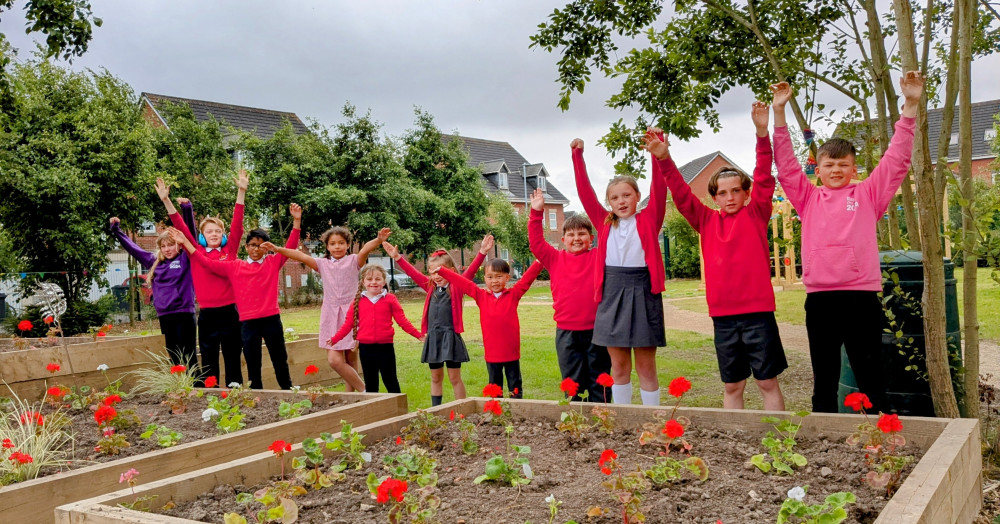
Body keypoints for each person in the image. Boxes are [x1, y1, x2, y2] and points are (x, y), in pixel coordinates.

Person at [770, 71, 924, 413]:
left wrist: (910, 107)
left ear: (854, 169)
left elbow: (896, 161)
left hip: (861, 297)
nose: (836, 170)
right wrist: (778, 113)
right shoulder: (807, 198)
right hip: (821, 300)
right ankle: (823, 432)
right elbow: (785, 165)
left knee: (870, 373)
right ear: (819, 170)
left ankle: (879, 434)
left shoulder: (869, 194)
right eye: (829, 165)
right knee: (824, 375)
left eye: (844, 165)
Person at [647, 104, 787, 410]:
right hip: (723, 317)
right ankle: (736, 438)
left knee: (767, 382)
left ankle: (780, 443)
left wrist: (762, 133)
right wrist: (663, 158)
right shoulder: (706, 221)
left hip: (758, 314)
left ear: (745, 193)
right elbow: (681, 193)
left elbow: (764, 175)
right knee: (733, 384)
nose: (730, 197)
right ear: (714, 197)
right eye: (722, 193)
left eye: (736, 190)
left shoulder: (757, 212)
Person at [572, 134, 668, 405]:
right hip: (612, 292)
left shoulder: (650, 217)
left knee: (646, 366)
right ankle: (623, 419)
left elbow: (660, 186)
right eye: (615, 197)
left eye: (627, 195)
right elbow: (584, 192)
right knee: (619, 366)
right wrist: (578, 157)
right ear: (609, 203)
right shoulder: (603, 222)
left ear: (638, 196)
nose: (622, 201)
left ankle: (653, 420)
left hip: (643, 290)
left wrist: (657, 150)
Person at [165, 203, 304, 390]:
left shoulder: (270, 261)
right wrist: (185, 242)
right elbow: (203, 261)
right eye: (252, 245)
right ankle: (248, 393)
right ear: (246, 247)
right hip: (244, 321)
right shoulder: (235, 266)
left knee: (278, 357)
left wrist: (296, 222)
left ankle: (286, 390)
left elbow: (290, 247)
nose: (256, 249)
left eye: (261, 245)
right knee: (249, 361)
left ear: (267, 247)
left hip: (264, 318)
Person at [156, 175, 246, 387]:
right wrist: (166, 201)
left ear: (223, 235)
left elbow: (238, 225)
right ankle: (212, 398)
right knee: (208, 361)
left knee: (233, 358)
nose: (214, 234)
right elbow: (180, 226)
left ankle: (236, 395)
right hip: (207, 316)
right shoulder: (194, 251)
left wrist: (241, 192)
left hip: (230, 313)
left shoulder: (230, 251)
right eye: (209, 231)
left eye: (218, 231)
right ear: (202, 236)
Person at [382, 235, 494, 405]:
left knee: (454, 377)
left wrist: (482, 252)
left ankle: (462, 409)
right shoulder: (430, 287)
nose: (436, 275)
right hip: (433, 338)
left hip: (450, 337)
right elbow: (413, 273)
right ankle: (436, 410)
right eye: (432, 272)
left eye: (440, 270)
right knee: (435, 377)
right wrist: (397, 257)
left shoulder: (457, 287)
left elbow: (470, 272)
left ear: (452, 271)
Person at [280, 226, 391, 392]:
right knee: (335, 360)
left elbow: (365, 250)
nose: (337, 247)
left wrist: (378, 240)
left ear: (348, 245)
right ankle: (365, 391)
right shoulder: (322, 264)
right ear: (327, 246)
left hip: (352, 313)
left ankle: (351, 398)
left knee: (351, 359)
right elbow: (300, 255)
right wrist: (276, 249)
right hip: (330, 315)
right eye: (332, 243)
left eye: (341, 243)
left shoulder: (354, 261)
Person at [527, 188, 609, 402]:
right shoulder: (554, 259)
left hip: (598, 332)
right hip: (566, 333)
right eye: (571, 235)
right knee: (572, 383)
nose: (577, 238)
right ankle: (576, 421)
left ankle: (601, 418)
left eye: (582, 234)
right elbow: (536, 243)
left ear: (591, 238)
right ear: (563, 239)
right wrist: (536, 213)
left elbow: (610, 232)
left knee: (599, 380)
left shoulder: (599, 256)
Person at [433, 258, 543, 398]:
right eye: (490, 277)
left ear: (507, 277)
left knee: (515, 386)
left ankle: (516, 411)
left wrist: (539, 262)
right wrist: (443, 271)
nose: (494, 281)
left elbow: (527, 280)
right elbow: (464, 283)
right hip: (492, 353)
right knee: (494, 388)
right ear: (484, 278)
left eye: (499, 276)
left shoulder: (513, 294)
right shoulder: (481, 296)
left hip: (511, 352)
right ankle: (497, 413)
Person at [109, 218, 196, 369]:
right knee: (174, 353)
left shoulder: (185, 259)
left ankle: (197, 385)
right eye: (163, 246)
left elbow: (191, 237)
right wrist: (117, 230)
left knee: (188, 353)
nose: (167, 249)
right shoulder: (153, 261)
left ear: (179, 246)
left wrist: (187, 209)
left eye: (171, 245)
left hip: (184, 313)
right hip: (165, 315)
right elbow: (133, 248)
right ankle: (181, 387)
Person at [325, 264, 423, 394]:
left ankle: (398, 409)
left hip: (385, 347)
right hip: (366, 349)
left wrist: (418, 335)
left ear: (384, 281)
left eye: (377, 279)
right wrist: (335, 339)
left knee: (390, 380)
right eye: (369, 279)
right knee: (371, 383)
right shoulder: (357, 300)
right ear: (363, 282)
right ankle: (374, 411)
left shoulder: (390, 299)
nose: (373, 282)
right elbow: (349, 324)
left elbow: (402, 321)